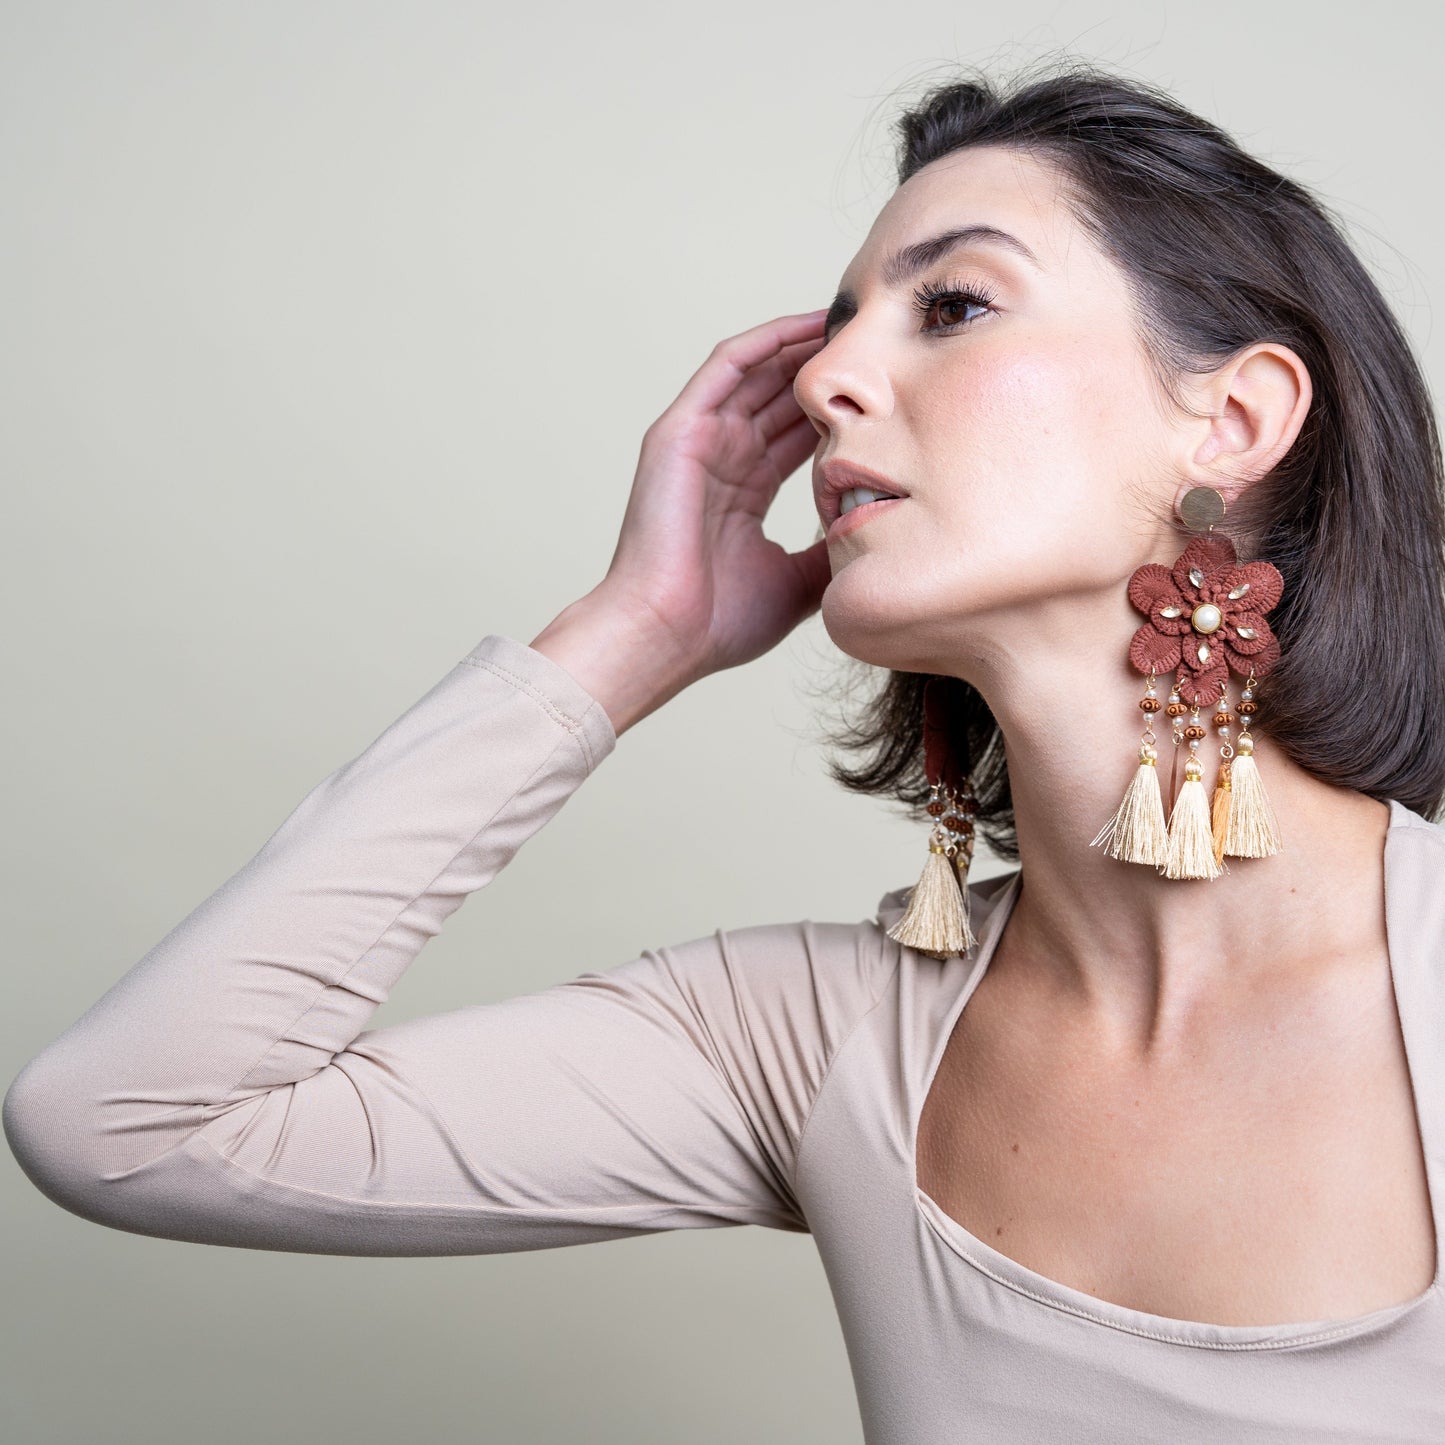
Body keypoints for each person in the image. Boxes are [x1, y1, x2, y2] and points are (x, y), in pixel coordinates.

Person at [5, 60, 1444, 1442]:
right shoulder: (810, 1045)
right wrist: (638, 629)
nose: (829, 380)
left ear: (1238, 415)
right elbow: (122, 1123)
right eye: (835, 329)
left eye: (950, 304)